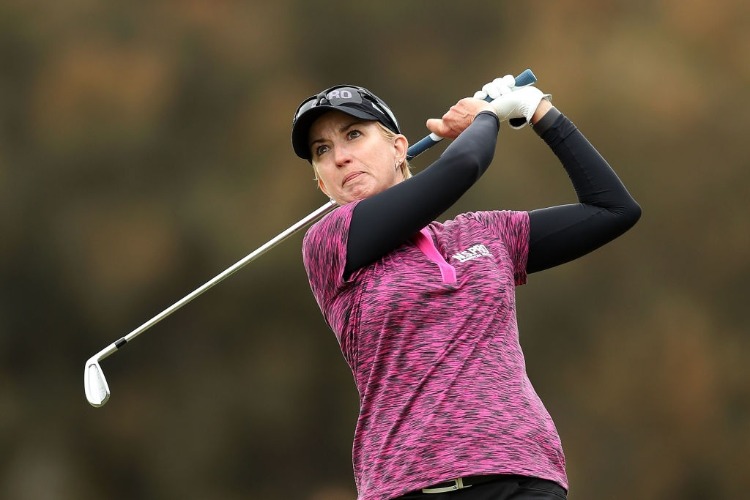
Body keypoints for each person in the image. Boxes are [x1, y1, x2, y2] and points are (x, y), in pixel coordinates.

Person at [290, 76, 641, 500]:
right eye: (322, 151)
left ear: (399, 148)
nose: (340, 158)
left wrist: (537, 111)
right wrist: (488, 116)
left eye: (353, 135)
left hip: (524, 475)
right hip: (413, 485)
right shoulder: (331, 242)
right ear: (321, 183)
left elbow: (613, 209)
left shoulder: (487, 233)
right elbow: (463, 166)